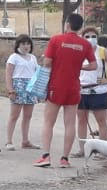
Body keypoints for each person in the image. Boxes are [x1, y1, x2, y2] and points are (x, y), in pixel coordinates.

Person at [33, 12, 96, 170]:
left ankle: (45, 156)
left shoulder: (56, 40)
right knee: (70, 124)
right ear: (80, 27)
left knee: (49, 122)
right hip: (74, 87)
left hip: (56, 86)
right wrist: (79, 66)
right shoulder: (85, 44)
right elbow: (93, 65)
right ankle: (64, 159)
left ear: (67, 24)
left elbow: (47, 62)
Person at [77, 33, 107, 148]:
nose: (90, 39)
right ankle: (82, 150)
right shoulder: (79, 51)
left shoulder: (102, 51)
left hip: (99, 90)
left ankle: (102, 149)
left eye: (93, 36)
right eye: (87, 36)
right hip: (82, 90)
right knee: (82, 121)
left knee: (101, 120)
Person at [3, 34, 40, 151]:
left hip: (31, 86)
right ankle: (9, 141)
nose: (26, 46)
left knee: (28, 116)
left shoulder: (33, 58)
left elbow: (37, 73)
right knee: (14, 115)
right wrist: (10, 90)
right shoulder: (14, 57)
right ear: (18, 45)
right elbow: (8, 74)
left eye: (28, 44)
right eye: (23, 44)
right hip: (18, 86)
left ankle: (25, 141)